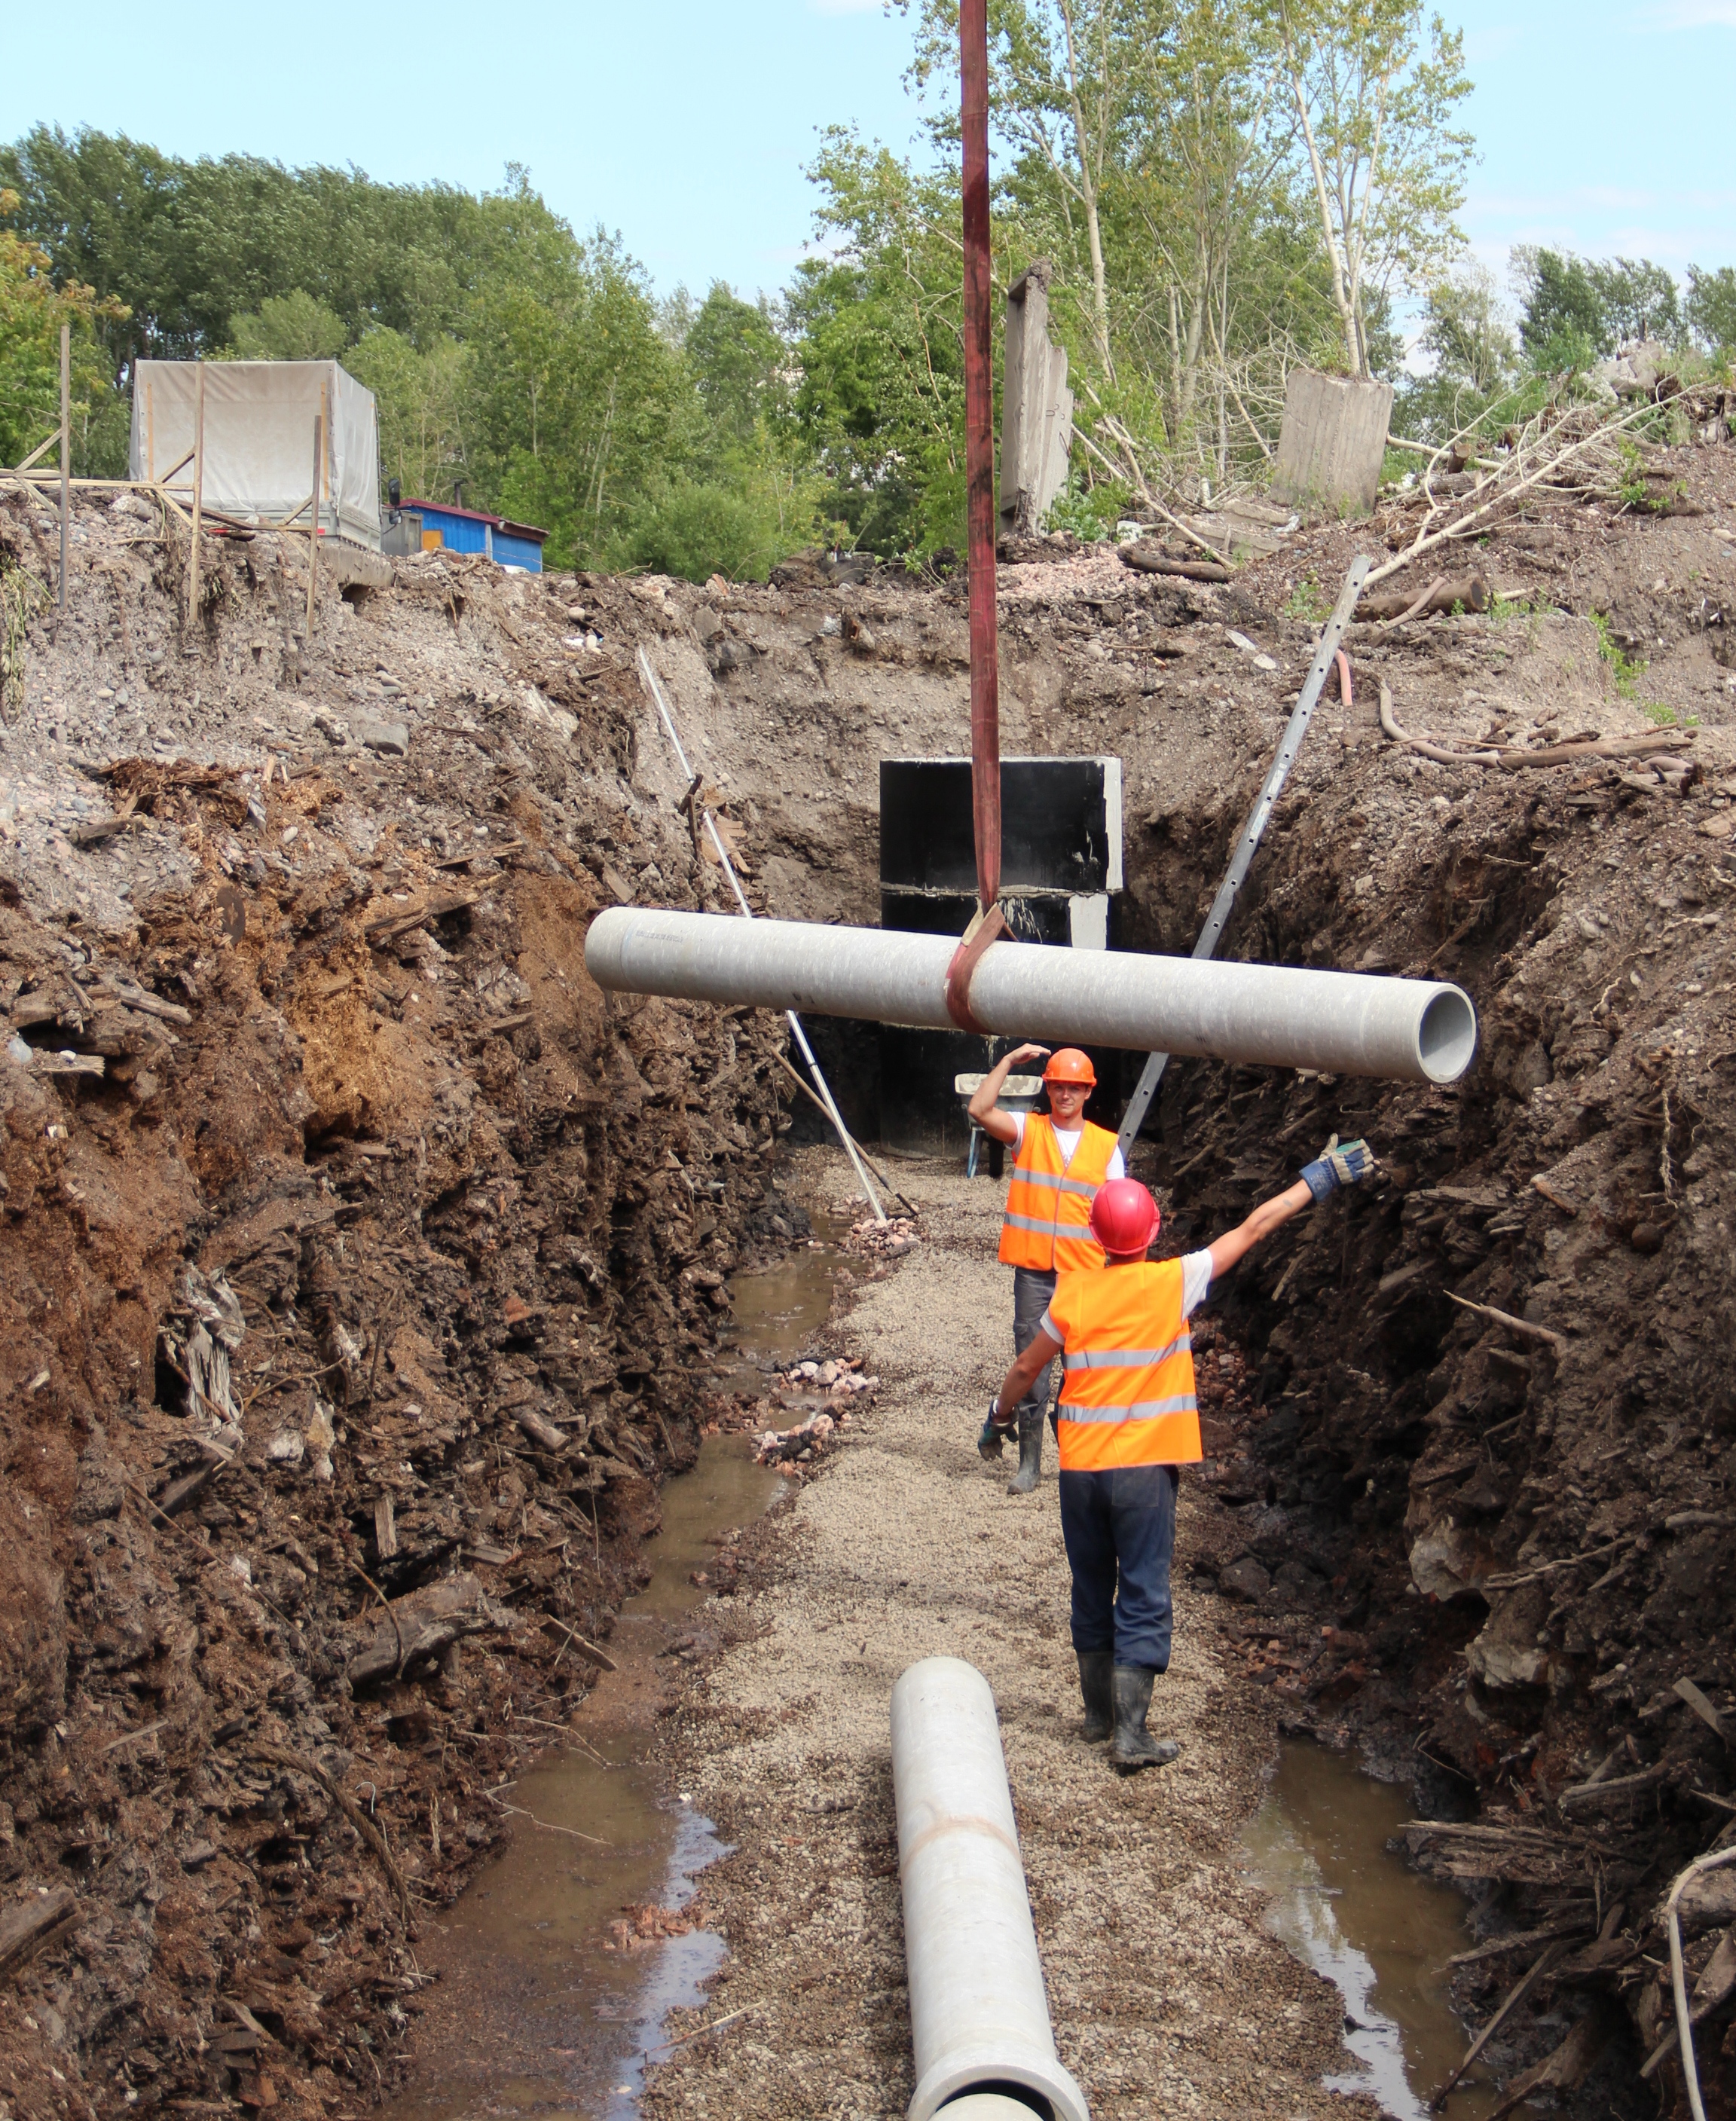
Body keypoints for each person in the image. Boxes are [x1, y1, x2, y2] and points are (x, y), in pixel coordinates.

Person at [989, 1141, 1377, 1770]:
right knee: (1142, 1589)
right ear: (1153, 1231)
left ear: (1094, 1233)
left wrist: (999, 1419)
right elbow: (1255, 1225)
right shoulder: (1175, 1281)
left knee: (1091, 1587)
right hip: (1143, 1473)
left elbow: (1026, 1366)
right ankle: (1132, 1735)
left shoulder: (1073, 1295)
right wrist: (1320, 1176)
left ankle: (1096, 1718)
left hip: (1081, 1473)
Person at [968, 1044, 1124, 1495]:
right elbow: (980, 1108)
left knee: (1081, 1368)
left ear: (1088, 1091)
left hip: (1084, 1275)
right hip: (1035, 1271)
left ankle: (1077, 1460)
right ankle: (1030, 1464)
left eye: (1075, 1087)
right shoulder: (1027, 1131)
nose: (1066, 1094)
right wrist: (1010, 1062)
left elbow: (1118, 1216)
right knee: (1033, 1365)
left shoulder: (1106, 1147)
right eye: (1059, 1086)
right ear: (1048, 1088)